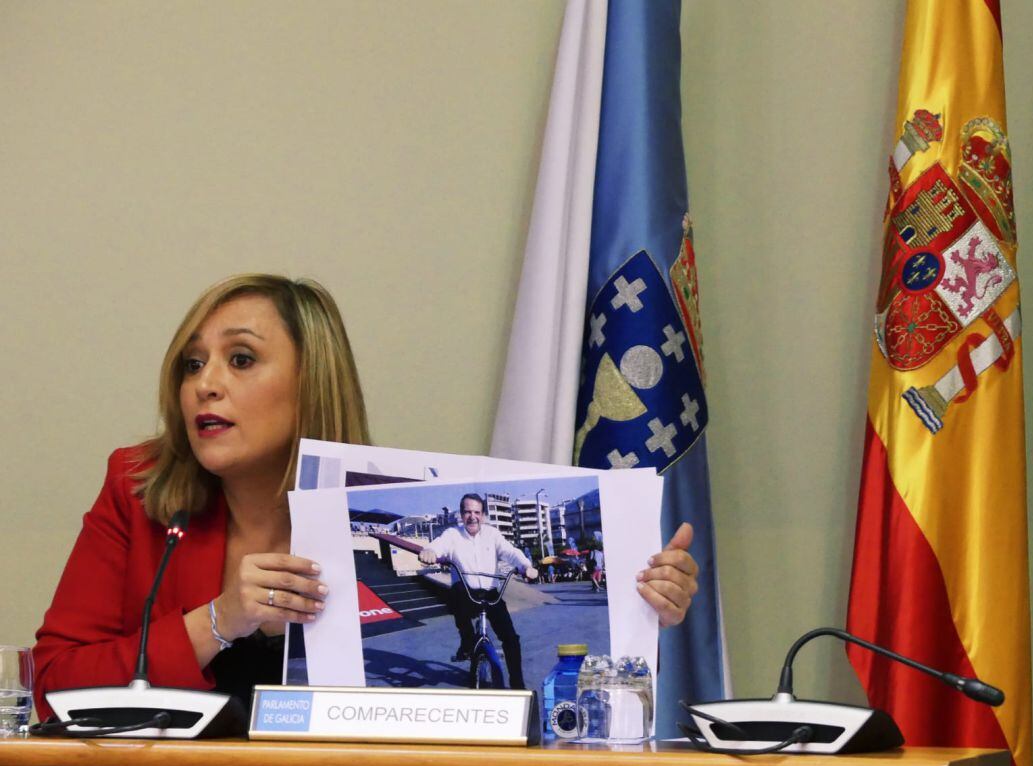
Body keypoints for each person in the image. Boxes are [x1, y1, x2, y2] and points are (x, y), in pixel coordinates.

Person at [32, 274, 701, 719]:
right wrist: (220, 620)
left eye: (240, 360)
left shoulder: (383, 500)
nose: (204, 384)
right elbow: (53, 683)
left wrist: (641, 610)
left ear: (309, 382)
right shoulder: (138, 489)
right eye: (191, 363)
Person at [419, 494, 537, 687]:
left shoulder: (492, 534)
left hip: (491, 592)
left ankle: (518, 685)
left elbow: (510, 551)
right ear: (461, 514)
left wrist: (525, 566)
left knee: (511, 639)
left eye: (476, 512)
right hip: (466, 592)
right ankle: (467, 641)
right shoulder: (452, 535)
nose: (472, 517)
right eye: (467, 512)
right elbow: (438, 545)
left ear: (482, 515)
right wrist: (430, 551)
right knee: (455, 599)